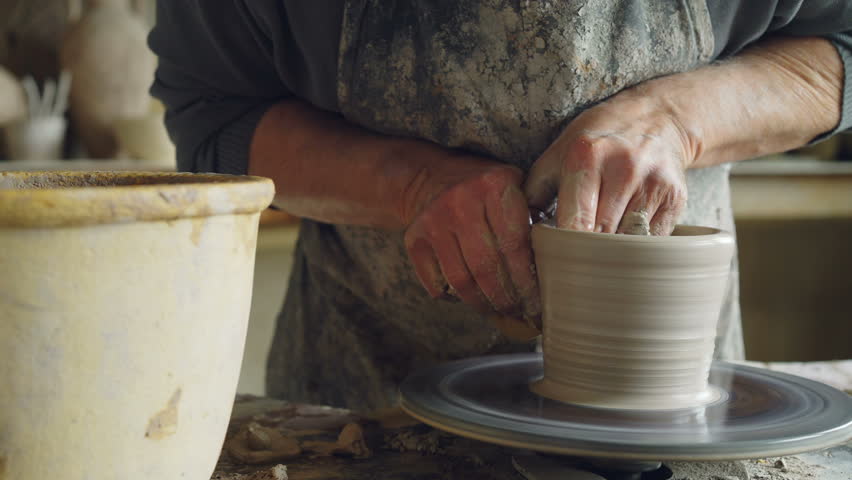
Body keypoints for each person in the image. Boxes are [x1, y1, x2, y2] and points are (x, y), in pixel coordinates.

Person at [149, 1, 852, 412]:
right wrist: (411, 185)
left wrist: (674, 119)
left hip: (672, 402)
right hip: (371, 401)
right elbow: (212, 115)